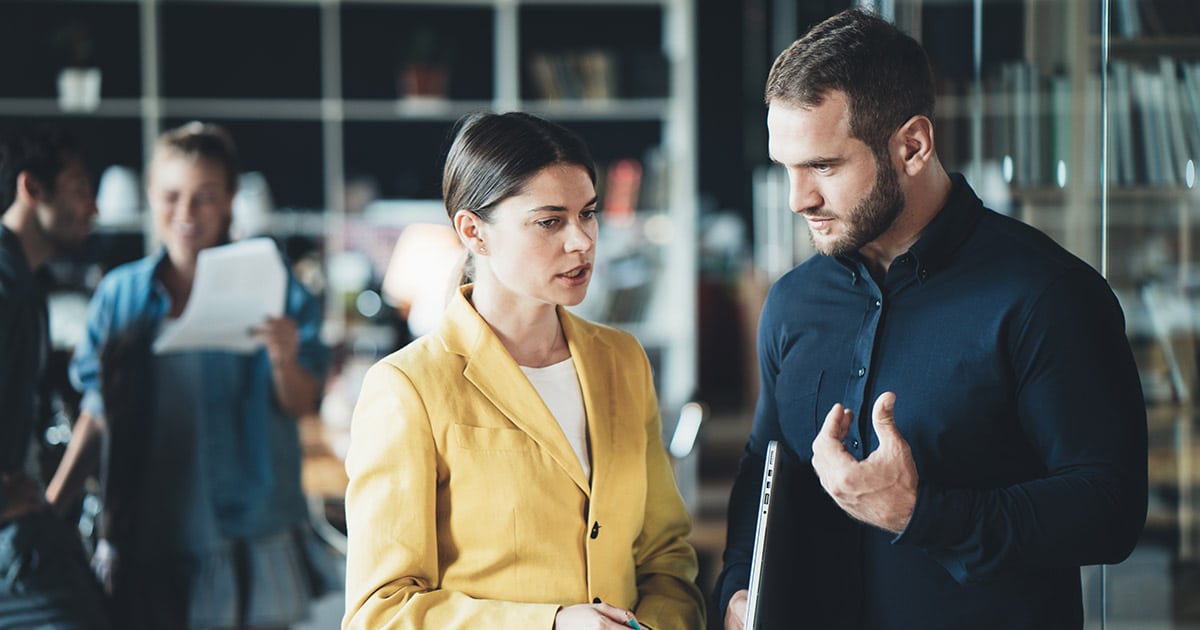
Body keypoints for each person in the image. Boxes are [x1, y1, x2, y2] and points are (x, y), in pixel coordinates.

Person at [715, 9, 1147, 629]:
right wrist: (736, 592)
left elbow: (1111, 511)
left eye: (824, 167)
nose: (797, 199)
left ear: (912, 145)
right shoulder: (791, 302)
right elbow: (763, 472)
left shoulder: (1048, 294)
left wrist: (923, 513)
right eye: (787, 167)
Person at [342, 111, 706, 630]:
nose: (581, 241)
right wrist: (553, 624)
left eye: (589, 213)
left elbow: (665, 557)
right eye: (550, 221)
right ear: (474, 232)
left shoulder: (623, 360)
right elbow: (379, 613)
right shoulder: (408, 387)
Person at [46, 121, 333, 629]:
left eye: (204, 197)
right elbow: (98, 412)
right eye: (171, 195)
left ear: (229, 199)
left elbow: (301, 404)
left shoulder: (272, 281)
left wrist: (284, 355)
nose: (185, 213)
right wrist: (49, 514)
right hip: (147, 529)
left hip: (250, 529)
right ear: (151, 196)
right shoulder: (120, 295)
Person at [0, 125, 109, 628]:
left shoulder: (25, 281)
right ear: (31, 189)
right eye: (79, 189)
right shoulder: (6, 285)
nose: (94, 208)